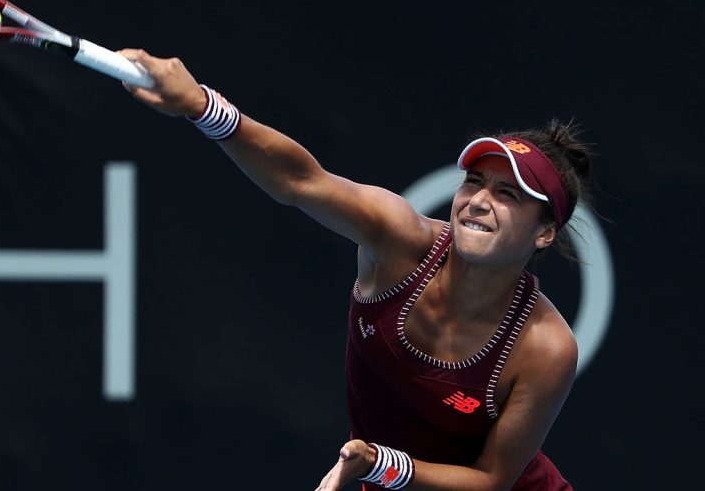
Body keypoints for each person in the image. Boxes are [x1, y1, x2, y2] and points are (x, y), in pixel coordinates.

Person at [118, 48, 592, 490]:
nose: (479, 202)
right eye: (474, 182)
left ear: (544, 232)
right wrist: (202, 106)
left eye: (507, 195)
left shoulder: (544, 348)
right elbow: (300, 181)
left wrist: (382, 464)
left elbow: (491, 481)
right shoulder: (399, 240)